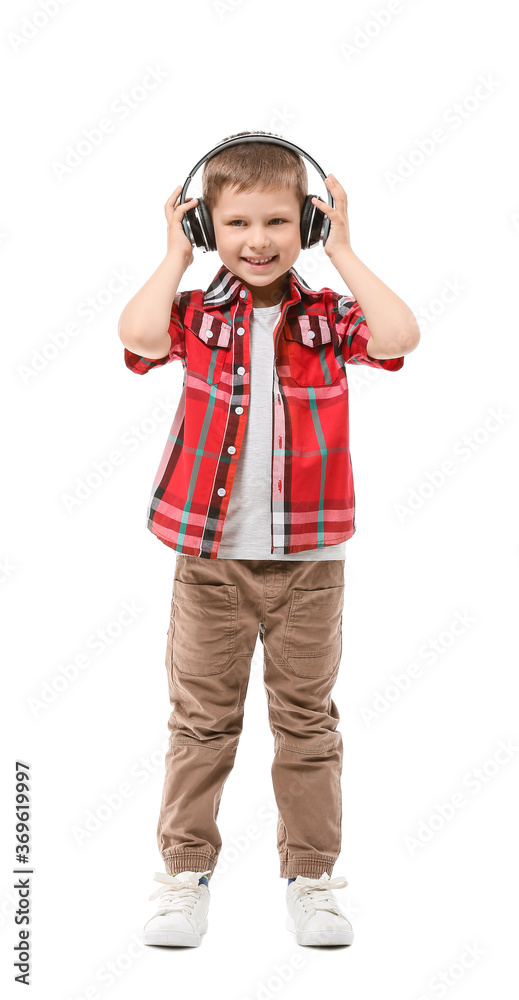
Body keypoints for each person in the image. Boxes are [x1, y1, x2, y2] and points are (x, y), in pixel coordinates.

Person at [118, 135, 420, 948]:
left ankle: (311, 878)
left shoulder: (325, 317)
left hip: (309, 566)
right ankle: (184, 875)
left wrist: (346, 251)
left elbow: (398, 337)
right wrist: (174, 255)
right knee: (202, 724)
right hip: (209, 563)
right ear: (209, 227)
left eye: (280, 220)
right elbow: (141, 337)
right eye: (238, 222)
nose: (258, 239)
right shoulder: (196, 313)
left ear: (309, 224)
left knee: (307, 723)